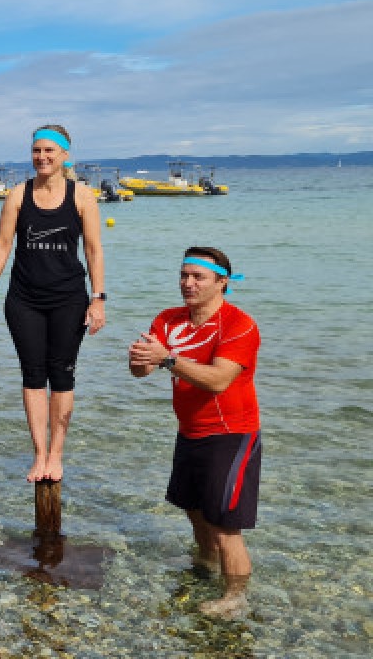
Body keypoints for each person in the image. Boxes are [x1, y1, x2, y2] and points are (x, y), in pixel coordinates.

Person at [129, 247, 260, 619]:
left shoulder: (239, 324)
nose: (188, 283)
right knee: (195, 513)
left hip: (232, 434)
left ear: (222, 282)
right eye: (184, 275)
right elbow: (141, 372)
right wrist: (140, 360)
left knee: (225, 526)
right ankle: (205, 567)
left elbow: (218, 380)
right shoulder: (168, 320)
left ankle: (236, 596)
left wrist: (167, 359)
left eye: (198, 277)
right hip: (190, 432)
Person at [0, 125, 105, 483]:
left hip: (68, 299)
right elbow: (3, 245)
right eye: (36, 150)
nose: (42, 157)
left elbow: (93, 250)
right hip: (24, 299)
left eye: (50, 150)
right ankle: (39, 454)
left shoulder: (82, 196)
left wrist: (98, 298)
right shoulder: (18, 195)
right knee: (33, 376)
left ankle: (57, 454)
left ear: (65, 154)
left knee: (61, 376)